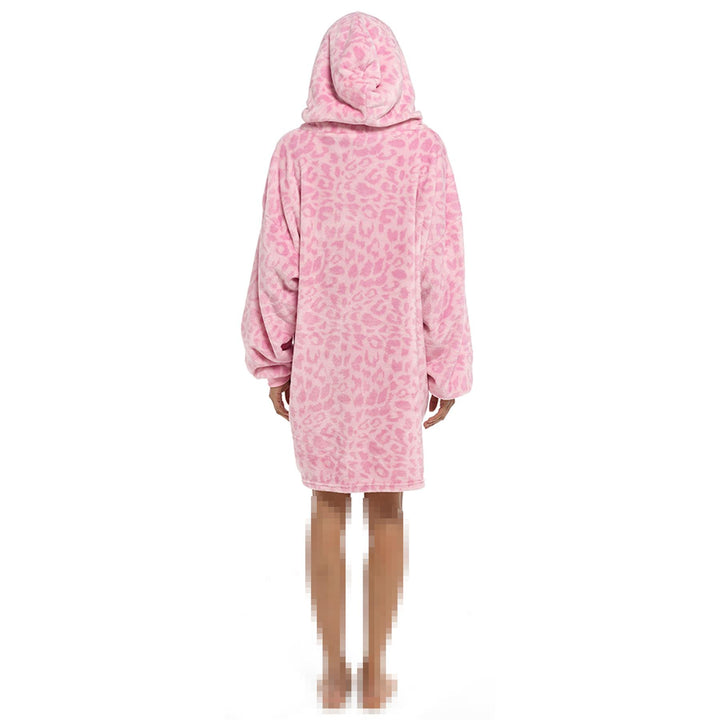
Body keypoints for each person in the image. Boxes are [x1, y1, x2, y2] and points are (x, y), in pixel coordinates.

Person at [241, 11, 473, 709]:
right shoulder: (423, 151)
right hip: (395, 360)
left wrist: (274, 359)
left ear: (325, 69)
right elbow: (442, 268)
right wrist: (445, 364)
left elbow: (276, 266)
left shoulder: (296, 154)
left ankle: (333, 673)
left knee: (326, 504)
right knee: (389, 509)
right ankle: (374, 674)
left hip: (322, 361)